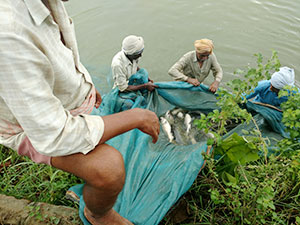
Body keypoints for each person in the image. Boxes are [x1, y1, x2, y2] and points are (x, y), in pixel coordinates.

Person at [0, 1, 160, 224]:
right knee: (109, 169)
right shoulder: (9, 35)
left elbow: (58, 50)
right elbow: (53, 135)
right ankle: (98, 214)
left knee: (107, 137)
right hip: (31, 127)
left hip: (53, 108)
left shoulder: (45, 3)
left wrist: (83, 83)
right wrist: (136, 117)